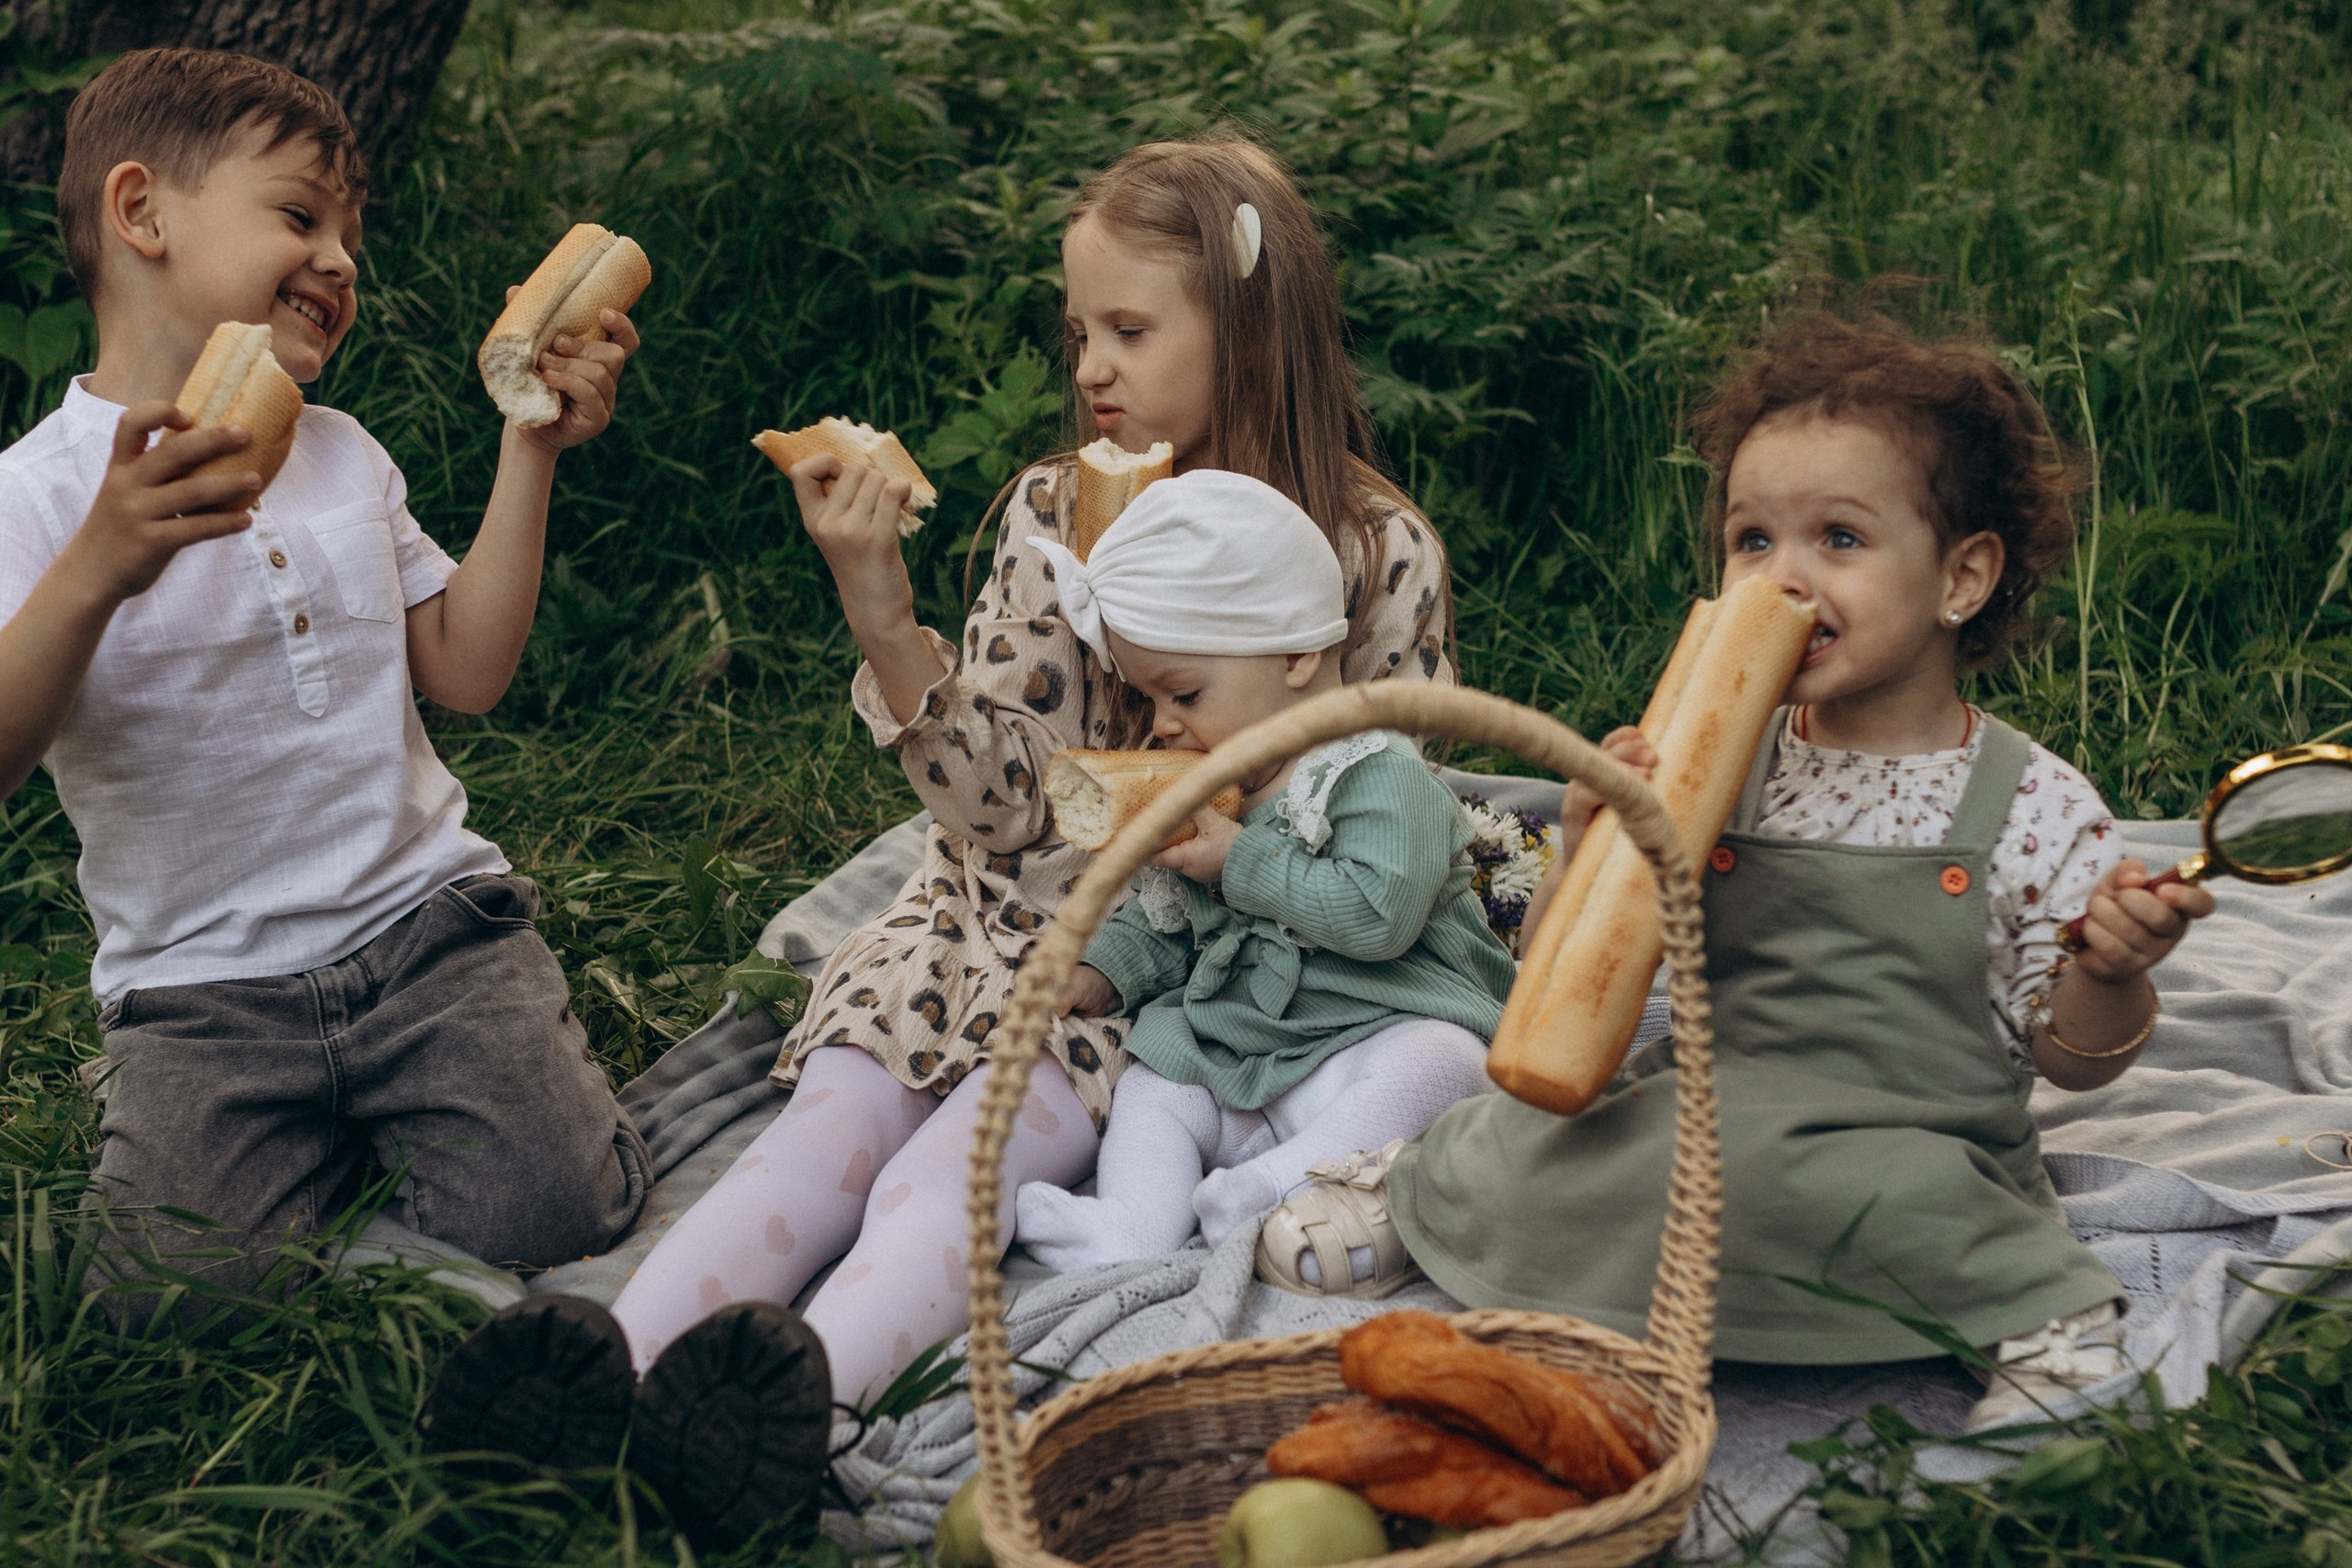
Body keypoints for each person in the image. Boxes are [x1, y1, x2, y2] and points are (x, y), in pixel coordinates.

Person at [423, 136, 1460, 1547]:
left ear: (1252, 330)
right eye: (1078, 330)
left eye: (1132, 330)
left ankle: (789, 1411)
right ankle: (597, 1370)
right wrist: (878, 603)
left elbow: (1384, 819)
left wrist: (1193, 824)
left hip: (1150, 970)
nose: (1090, 364)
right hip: (972, 912)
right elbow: (998, 811)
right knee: (822, 1134)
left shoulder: (1376, 554)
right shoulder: (1051, 516)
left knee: (949, 1167)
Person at [1267, 313, 2217, 1436]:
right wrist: (1589, 847)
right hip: (1710, 1100)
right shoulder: (1715, 755)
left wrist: (2112, 970)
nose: (1786, 578)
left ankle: (2033, 1312)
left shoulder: (2031, 802)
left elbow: (2074, 1059)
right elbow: (1578, 1009)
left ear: (1961, 576)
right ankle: (1432, 1191)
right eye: (1753, 540)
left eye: (1840, 540)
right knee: (1565, 1144)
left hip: (1909, 1133)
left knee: (1918, 1211)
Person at [0, 53, 648, 1303]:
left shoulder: (345, 453)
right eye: (300, 216)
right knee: (155, 1301)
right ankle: (314, 1160)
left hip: (426, 938)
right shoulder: (34, 496)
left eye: (351, 232)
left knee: (562, 1203)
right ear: (142, 214)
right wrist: (99, 566)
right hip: (202, 992)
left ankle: (379, 1147)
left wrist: (531, 448)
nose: (343, 259)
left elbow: (466, 667)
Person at [1004, 468, 1513, 1272]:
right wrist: (1101, 972)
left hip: (1372, 1039)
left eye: (1186, 693)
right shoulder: (1216, 786)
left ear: (1300, 656)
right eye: (1150, 700)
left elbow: (1377, 918)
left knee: (1448, 1064)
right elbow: (1167, 915)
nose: (1166, 725)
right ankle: (1134, 1223)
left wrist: (1239, 859)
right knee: (1158, 1076)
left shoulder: (1382, 773)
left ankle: (1277, 1188)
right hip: (1247, 1055)